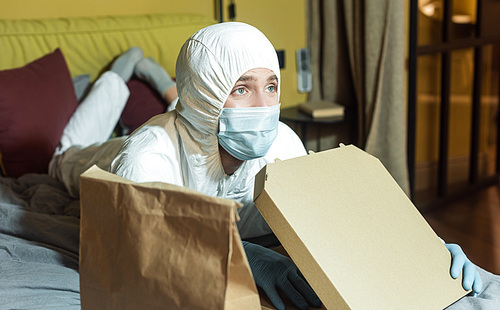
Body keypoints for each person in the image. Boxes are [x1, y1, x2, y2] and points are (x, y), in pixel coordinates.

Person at [50, 22, 483, 310]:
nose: (263, 107)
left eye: (271, 86)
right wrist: (251, 258)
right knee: (66, 151)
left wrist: (420, 250)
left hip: (190, 114)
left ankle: (164, 86)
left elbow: (340, 216)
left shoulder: (281, 143)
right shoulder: (145, 159)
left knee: (187, 114)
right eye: (241, 89)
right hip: (90, 155)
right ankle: (130, 65)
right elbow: (139, 251)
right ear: (207, 96)